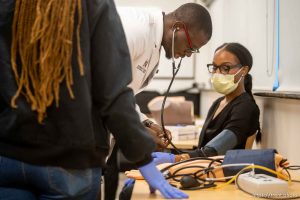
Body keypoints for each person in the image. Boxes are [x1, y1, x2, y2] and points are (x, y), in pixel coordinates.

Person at [0, 0, 188, 199]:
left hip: (8, 154)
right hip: (68, 161)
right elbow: (111, 92)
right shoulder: (93, 5)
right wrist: (144, 158)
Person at [104, 3, 212, 200]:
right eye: (190, 47)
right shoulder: (135, 30)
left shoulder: (153, 40)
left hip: (95, 140)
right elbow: (107, 92)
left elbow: (123, 92)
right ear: (177, 27)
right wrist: (141, 142)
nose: (188, 54)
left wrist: (146, 123)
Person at [152, 42, 261, 165]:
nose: (218, 73)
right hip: (204, 167)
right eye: (215, 67)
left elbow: (214, 150)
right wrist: (168, 153)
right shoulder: (218, 103)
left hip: (223, 175)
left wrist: (175, 159)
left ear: (244, 70)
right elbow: (203, 149)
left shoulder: (246, 107)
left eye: (226, 68)